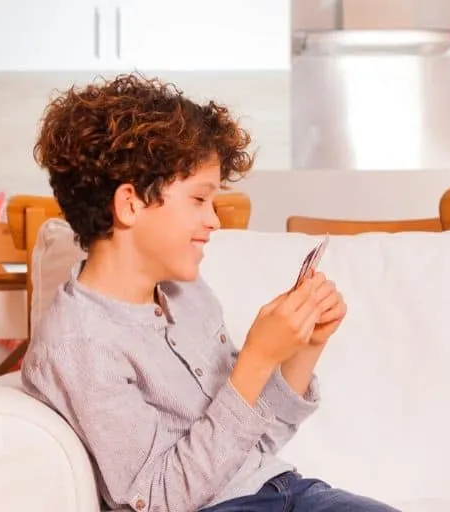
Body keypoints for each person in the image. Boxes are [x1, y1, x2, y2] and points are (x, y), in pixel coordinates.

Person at [21, 74, 400, 512]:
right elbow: (162, 497)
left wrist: (305, 346)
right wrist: (257, 358)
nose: (215, 221)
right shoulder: (79, 347)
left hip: (283, 490)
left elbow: (256, 441)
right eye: (199, 200)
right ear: (129, 205)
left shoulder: (187, 293)